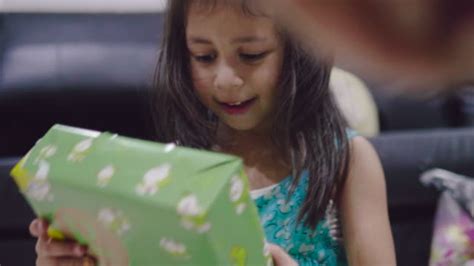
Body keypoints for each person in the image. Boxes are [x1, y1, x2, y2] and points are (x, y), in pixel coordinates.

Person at [29, 0, 396, 265]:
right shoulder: (164, 170)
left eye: (251, 55)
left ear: (302, 49)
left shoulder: (347, 162)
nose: (225, 80)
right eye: (204, 57)